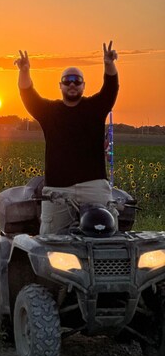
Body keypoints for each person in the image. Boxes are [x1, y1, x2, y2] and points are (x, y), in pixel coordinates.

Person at [15, 41, 119, 235]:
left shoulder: (95, 107)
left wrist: (109, 64)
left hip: (94, 187)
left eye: (77, 80)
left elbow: (111, 88)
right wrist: (24, 71)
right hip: (58, 190)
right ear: (60, 85)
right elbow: (28, 95)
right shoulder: (49, 111)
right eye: (68, 80)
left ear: (83, 86)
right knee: (50, 242)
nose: (72, 84)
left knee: (107, 239)